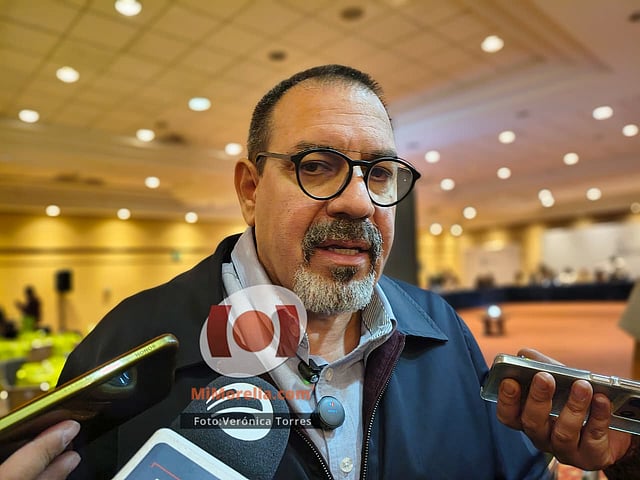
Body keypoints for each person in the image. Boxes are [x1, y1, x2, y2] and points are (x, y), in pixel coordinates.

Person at [3, 64, 638, 478]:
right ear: (250, 189)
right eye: (316, 166)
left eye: (379, 173)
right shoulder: (130, 345)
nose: (358, 202)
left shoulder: (443, 329)